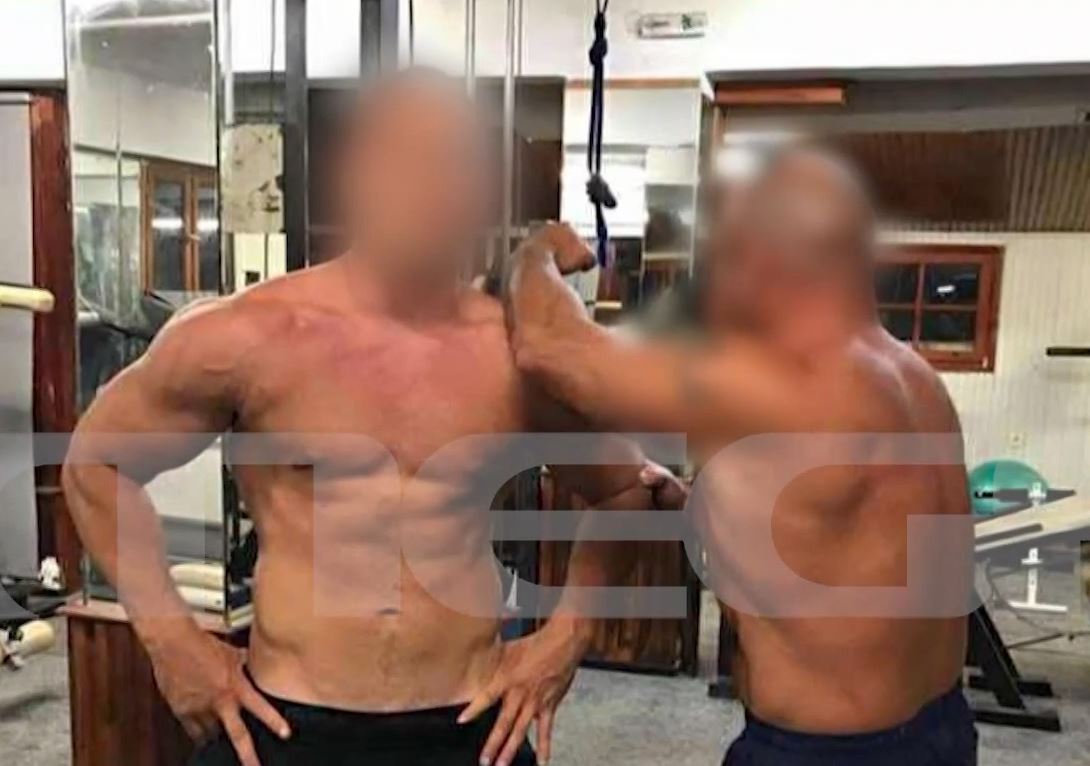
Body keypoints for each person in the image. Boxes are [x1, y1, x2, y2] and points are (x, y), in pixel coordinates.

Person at [62, 70, 665, 766]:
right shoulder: (247, 335)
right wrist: (171, 641)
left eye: (451, 162)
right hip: (286, 725)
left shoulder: (514, 354)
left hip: (467, 724)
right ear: (355, 176)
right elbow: (95, 465)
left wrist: (567, 637)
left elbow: (628, 490)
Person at [501, 146, 977, 765]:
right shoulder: (914, 379)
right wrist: (693, 502)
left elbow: (548, 346)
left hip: (824, 753)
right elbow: (832, 535)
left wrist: (536, 251)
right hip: (940, 731)